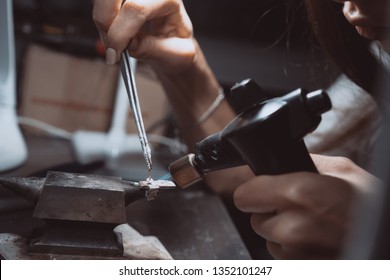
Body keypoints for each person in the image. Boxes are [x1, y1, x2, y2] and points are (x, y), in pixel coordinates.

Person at [91, 0, 388, 259]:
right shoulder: (379, 65)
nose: (349, 7)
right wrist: (184, 69)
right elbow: (252, 172)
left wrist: (378, 235)